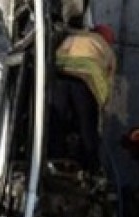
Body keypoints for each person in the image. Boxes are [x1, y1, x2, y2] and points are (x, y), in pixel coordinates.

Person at [49, 24, 117, 173]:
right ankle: (91, 167)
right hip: (84, 81)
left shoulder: (75, 35)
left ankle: (53, 159)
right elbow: (108, 82)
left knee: (56, 121)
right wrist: (103, 106)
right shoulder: (107, 49)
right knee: (87, 126)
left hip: (59, 75)